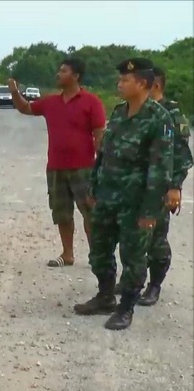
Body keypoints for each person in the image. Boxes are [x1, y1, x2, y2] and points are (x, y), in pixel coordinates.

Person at [73, 58, 173, 330]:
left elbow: (161, 168)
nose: (119, 83)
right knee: (101, 250)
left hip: (136, 202)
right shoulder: (118, 112)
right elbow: (103, 154)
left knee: (133, 257)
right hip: (107, 197)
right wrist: (94, 186)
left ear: (142, 83)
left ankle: (126, 307)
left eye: (125, 80)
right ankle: (105, 296)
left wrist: (150, 211)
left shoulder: (159, 118)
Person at [8, 58, 106, 269]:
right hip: (56, 167)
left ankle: (96, 255)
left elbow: (100, 136)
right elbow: (25, 108)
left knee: (89, 212)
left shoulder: (91, 102)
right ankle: (67, 254)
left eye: (63, 71)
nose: (58, 74)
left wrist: (102, 166)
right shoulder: (51, 102)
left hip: (84, 167)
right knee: (61, 212)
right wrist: (15, 92)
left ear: (76, 75)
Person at [139, 66, 193, 305]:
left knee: (156, 239)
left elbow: (182, 156)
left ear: (155, 85)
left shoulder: (171, 113)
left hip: (160, 188)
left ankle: (154, 285)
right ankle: (134, 279)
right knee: (135, 236)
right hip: (136, 184)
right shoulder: (140, 111)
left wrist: (175, 187)